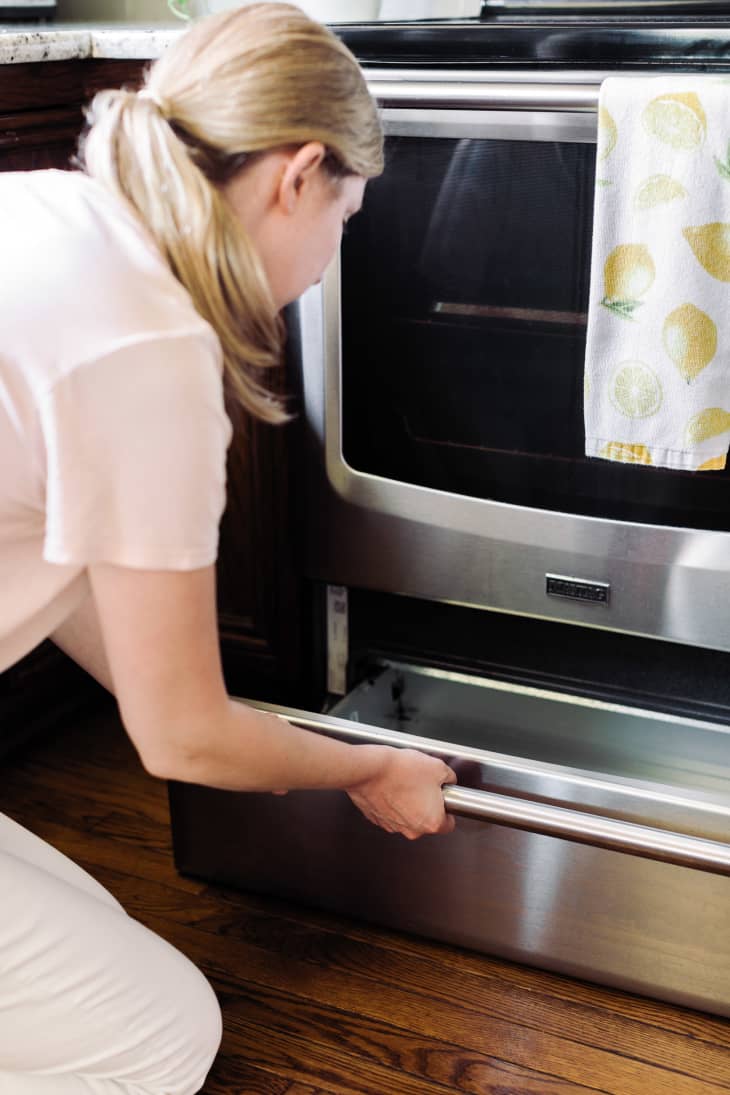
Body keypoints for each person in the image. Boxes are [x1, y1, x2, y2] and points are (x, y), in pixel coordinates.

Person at [0, 4, 457, 1093]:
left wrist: (220, 719)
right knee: (158, 1036)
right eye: (347, 218)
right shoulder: (147, 344)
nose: (326, 260)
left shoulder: (48, 213)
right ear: (298, 175)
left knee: (95, 929)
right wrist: (368, 765)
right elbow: (183, 741)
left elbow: (50, 555)